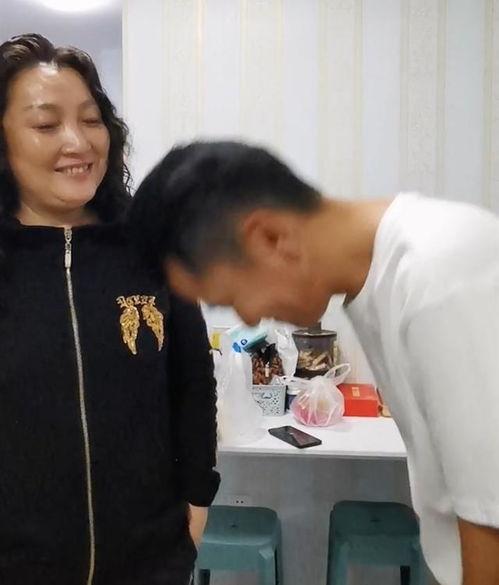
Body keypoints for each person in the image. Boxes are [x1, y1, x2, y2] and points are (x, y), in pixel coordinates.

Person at [129, 140, 499, 585]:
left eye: (230, 297)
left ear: (270, 238)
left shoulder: (435, 272)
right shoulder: (382, 283)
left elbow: (490, 524)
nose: (249, 317)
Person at [0, 34, 219, 585]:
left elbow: (192, 381)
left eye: (91, 119)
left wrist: (197, 502)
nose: (77, 141)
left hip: (149, 560)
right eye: (46, 124)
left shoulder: (152, 247)